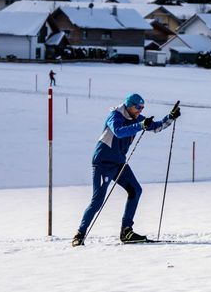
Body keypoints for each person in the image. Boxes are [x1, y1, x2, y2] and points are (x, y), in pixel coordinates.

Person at [72, 94, 181, 246]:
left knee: (136, 190)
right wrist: (140, 125)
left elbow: (156, 127)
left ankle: (126, 231)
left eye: (142, 108)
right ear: (129, 105)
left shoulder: (136, 118)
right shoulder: (115, 115)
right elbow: (119, 131)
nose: (140, 110)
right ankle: (79, 234)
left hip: (119, 163)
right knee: (97, 200)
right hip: (103, 162)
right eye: (138, 107)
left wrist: (170, 117)